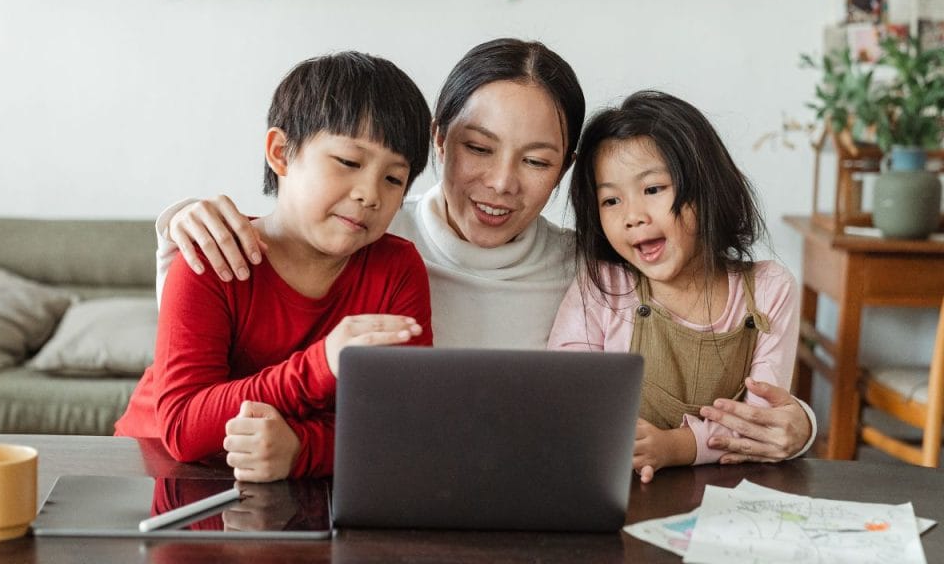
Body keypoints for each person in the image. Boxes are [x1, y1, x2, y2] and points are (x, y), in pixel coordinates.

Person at [154, 39, 816, 468]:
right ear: (437, 141)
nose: (503, 182)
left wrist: (801, 425)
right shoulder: (370, 233)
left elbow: (700, 340)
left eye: (536, 161)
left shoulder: (591, 278)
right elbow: (252, 271)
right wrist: (178, 221)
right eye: (478, 148)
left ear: (565, 173)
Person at [114, 51, 434, 482]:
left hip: (290, 484)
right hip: (157, 471)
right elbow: (183, 427)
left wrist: (300, 450)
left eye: (393, 178)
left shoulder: (397, 269)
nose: (369, 194)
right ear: (281, 153)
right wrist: (321, 364)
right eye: (349, 162)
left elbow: (402, 429)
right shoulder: (212, 255)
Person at [549, 90, 806, 483]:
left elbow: (760, 426)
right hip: (617, 489)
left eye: (653, 189)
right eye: (611, 201)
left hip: (731, 494)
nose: (633, 216)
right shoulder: (602, 285)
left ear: (706, 187)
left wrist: (677, 447)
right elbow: (569, 396)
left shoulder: (769, 289)